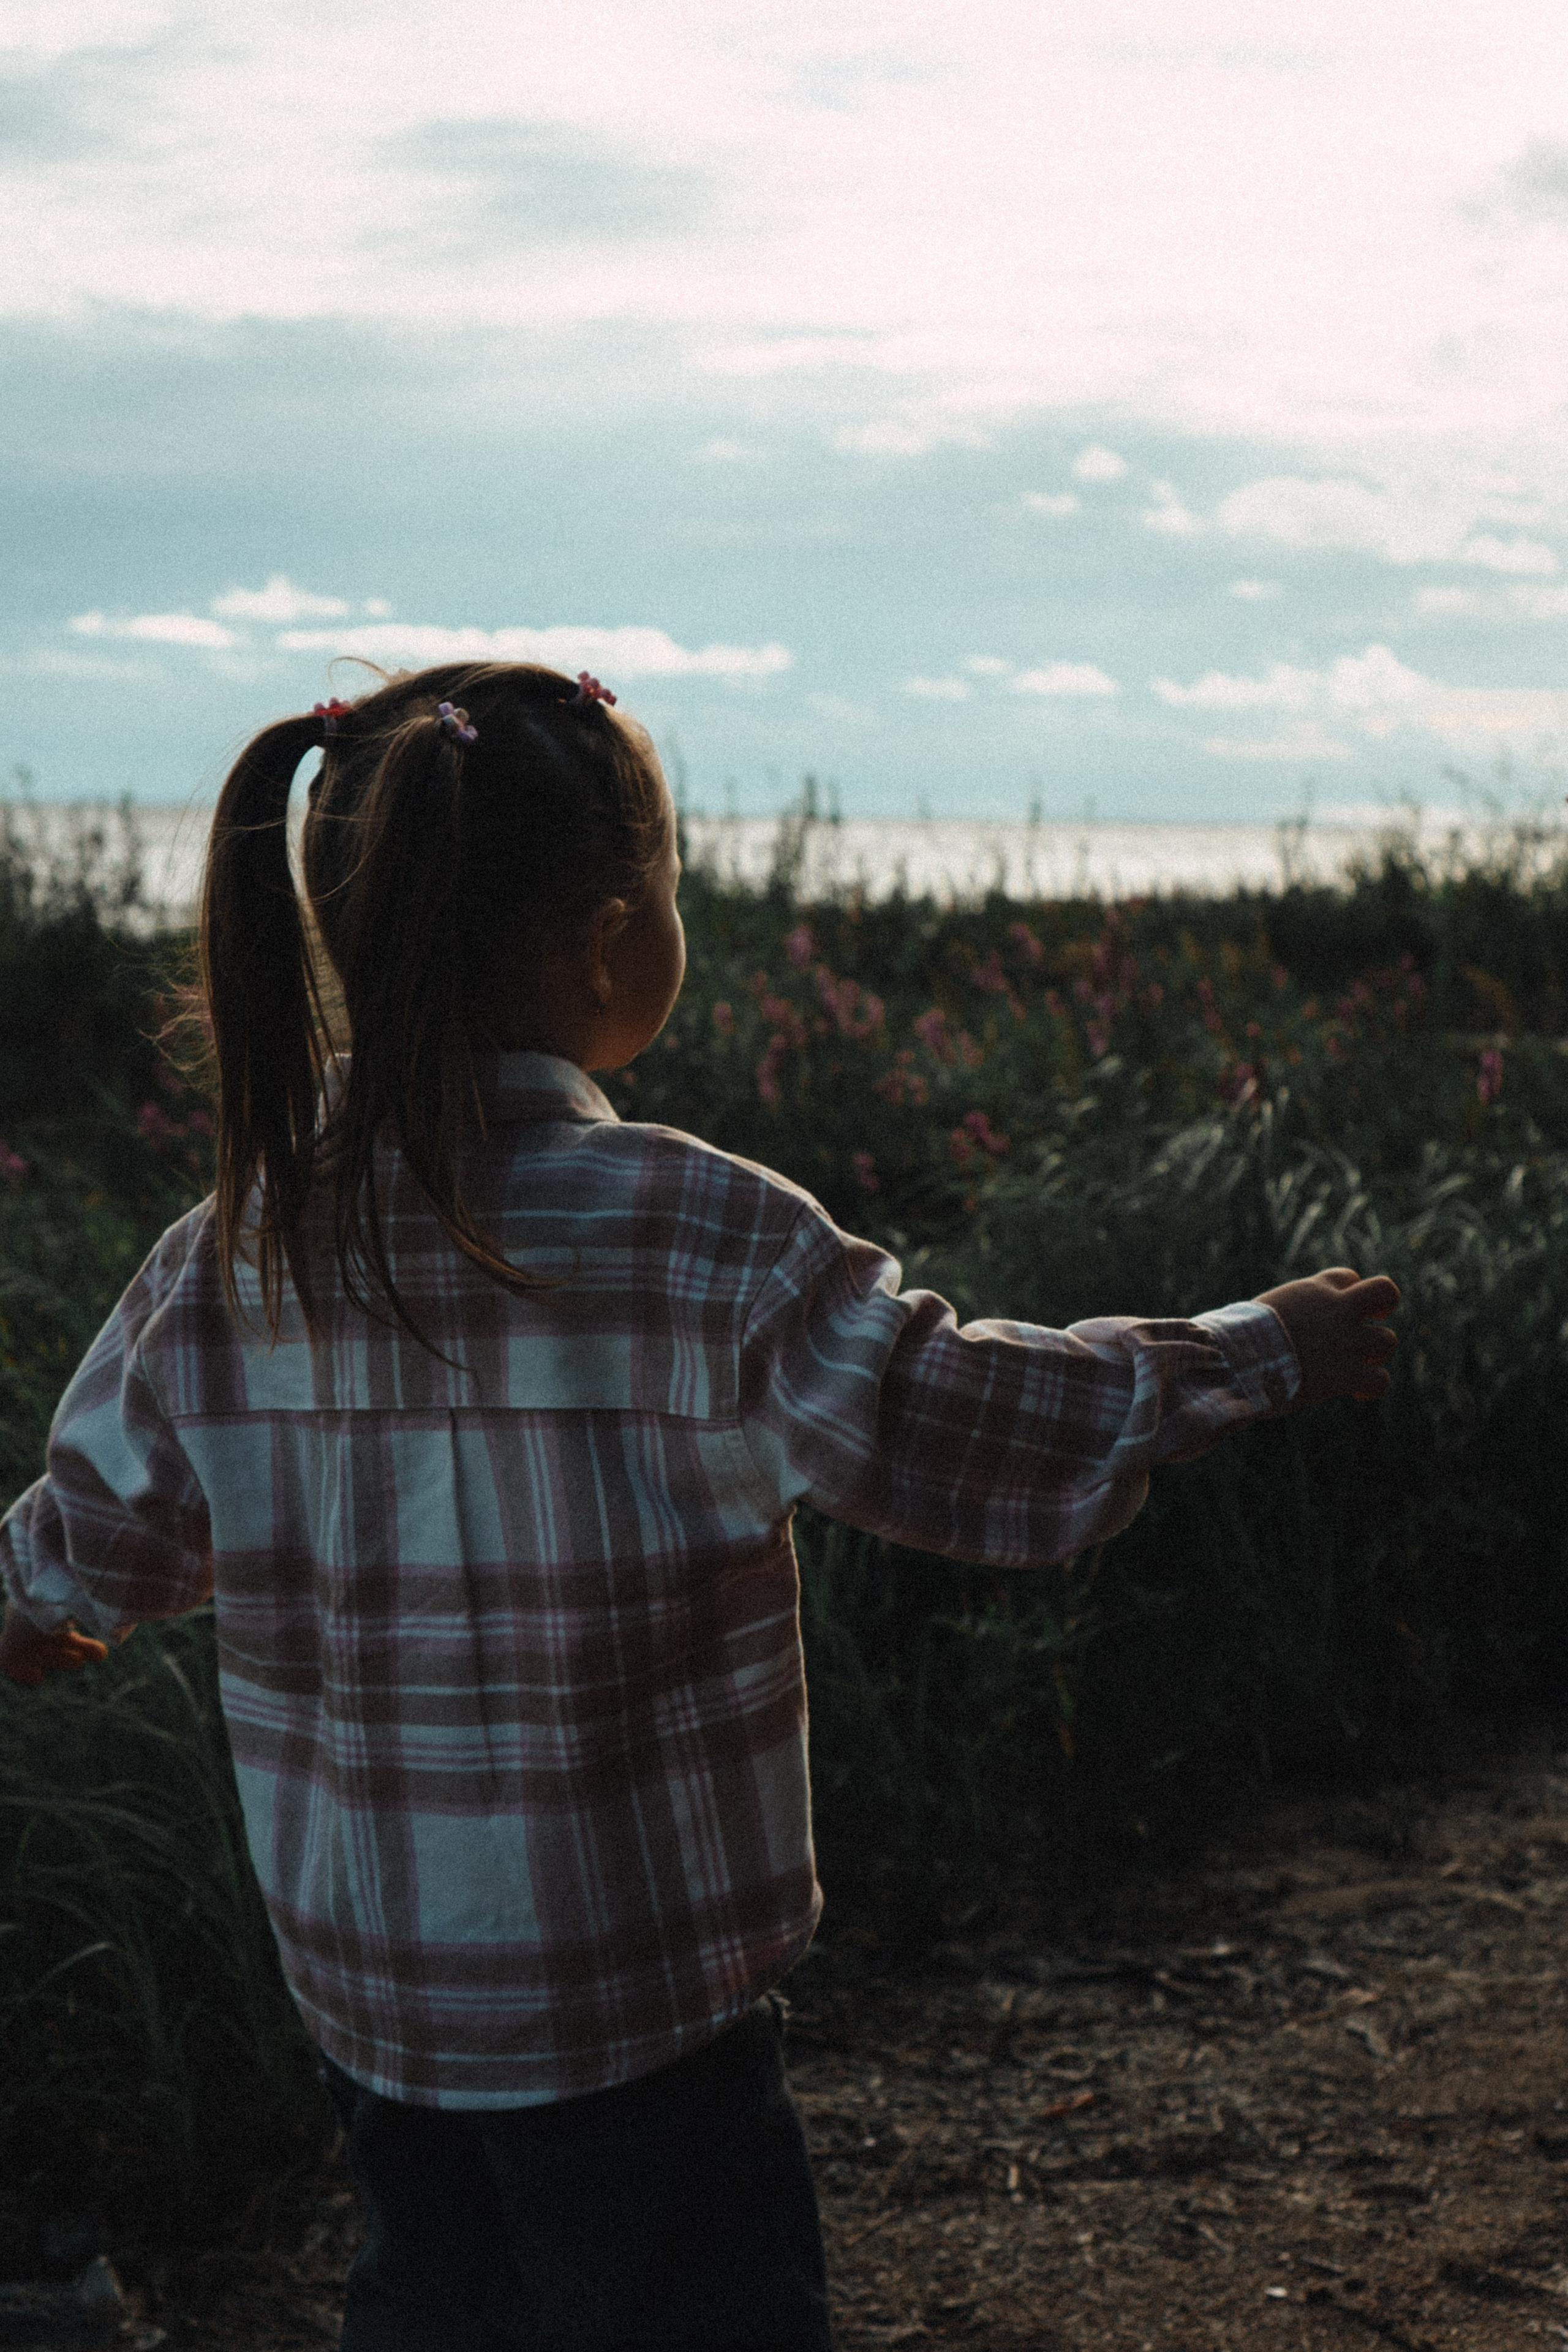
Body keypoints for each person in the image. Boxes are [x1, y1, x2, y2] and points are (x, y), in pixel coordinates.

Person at [0, 663, 1399, 2352]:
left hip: (377, 2025)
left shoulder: (228, 1259)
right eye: (673, 888)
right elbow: (964, 1425)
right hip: (643, 2031)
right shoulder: (697, 1235)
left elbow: (85, 1543)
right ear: (608, 934)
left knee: (431, 2305)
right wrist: (1261, 1350)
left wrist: (34, 1609)